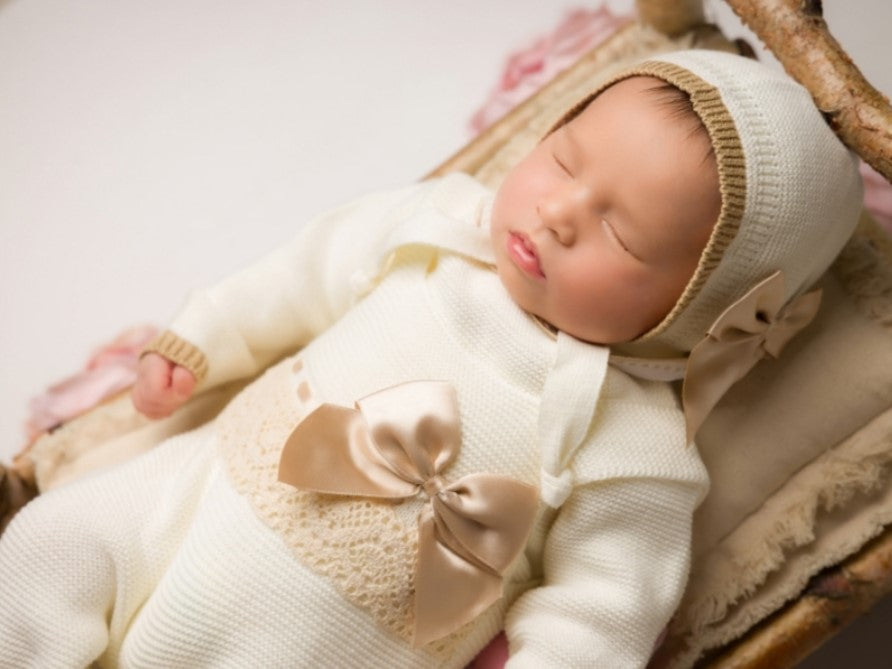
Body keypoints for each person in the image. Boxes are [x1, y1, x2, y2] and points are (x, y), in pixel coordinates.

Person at [0, 50, 862, 668]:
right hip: (196, 494)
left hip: (342, 637)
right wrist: (204, 336)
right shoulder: (438, 229)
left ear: (701, 316)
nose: (560, 211)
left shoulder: (632, 441)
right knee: (53, 540)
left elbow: (607, 606)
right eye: (563, 159)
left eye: (621, 231)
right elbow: (302, 275)